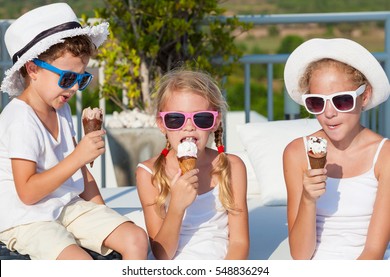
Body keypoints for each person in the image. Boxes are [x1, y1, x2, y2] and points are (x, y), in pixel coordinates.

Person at [0, 3, 148, 260]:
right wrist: (79, 156)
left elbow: (80, 171)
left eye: (81, 79)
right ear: (33, 69)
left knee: (135, 238)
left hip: (65, 205)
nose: (73, 89)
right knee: (79, 262)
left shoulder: (60, 108)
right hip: (26, 218)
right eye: (67, 79)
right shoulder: (20, 118)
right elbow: (27, 192)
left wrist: (103, 215)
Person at [283, 38, 390, 260]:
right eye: (317, 102)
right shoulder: (296, 153)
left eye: (341, 101)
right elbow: (300, 255)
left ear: (365, 96)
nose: (329, 113)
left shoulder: (384, 156)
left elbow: (374, 251)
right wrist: (308, 199)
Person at [136, 69, 249, 260]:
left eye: (201, 118)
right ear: (162, 123)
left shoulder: (231, 167)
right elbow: (163, 255)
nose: (189, 126)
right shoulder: (149, 174)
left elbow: (239, 242)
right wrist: (176, 207)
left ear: (215, 121)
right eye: (176, 119)